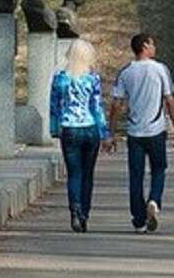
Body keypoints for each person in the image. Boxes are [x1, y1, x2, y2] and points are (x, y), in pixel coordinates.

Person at [108, 32, 174, 233]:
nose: (154, 47)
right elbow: (169, 100)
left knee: (136, 176)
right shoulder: (160, 69)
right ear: (145, 46)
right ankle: (154, 200)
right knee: (158, 169)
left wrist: (111, 133)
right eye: (152, 44)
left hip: (135, 132)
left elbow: (116, 104)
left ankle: (139, 219)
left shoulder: (126, 72)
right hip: (156, 129)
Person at [49, 39, 111, 233]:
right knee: (88, 174)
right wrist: (104, 133)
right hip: (89, 127)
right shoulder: (92, 79)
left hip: (69, 127)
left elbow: (54, 107)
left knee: (74, 173)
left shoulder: (60, 78)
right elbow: (97, 107)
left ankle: (74, 209)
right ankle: (84, 212)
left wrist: (54, 129)